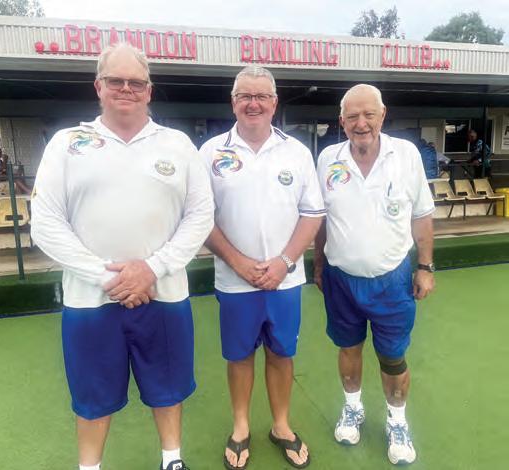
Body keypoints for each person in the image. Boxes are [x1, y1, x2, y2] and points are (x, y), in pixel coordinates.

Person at [31, 43, 214, 470]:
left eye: (136, 82)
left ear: (149, 90)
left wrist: (152, 268)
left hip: (163, 294)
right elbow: (45, 223)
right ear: (99, 86)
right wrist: (108, 277)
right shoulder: (67, 144)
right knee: (92, 397)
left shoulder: (177, 144)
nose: (126, 89)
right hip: (91, 300)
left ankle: (172, 460)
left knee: (168, 389)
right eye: (116, 80)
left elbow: (201, 214)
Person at [199, 65, 324, 469]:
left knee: (281, 353)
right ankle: (240, 427)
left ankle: (281, 425)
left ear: (274, 102)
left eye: (261, 96)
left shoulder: (297, 152)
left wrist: (285, 263)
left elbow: (312, 213)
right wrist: (238, 262)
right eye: (245, 96)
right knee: (239, 356)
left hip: (285, 281)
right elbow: (200, 217)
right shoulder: (211, 152)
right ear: (233, 102)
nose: (253, 103)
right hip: (235, 282)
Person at [314, 84, 435, 465]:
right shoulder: (328, 159)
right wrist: (318, 265)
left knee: (393, 357)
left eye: (369, 114)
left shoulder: (407, 155)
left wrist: (425, 267)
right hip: (340, 278)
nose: (361, 123)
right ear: (342, 121)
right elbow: (320, 219)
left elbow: (422, 215)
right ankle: (353, 408)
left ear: (383, 116)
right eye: (352, 116)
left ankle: (397, 421)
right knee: (348, 348)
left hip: (392, 280)